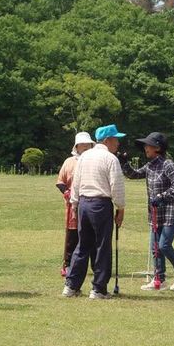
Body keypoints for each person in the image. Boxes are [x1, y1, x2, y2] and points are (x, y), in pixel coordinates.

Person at [121, 131, 174, 291]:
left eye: (149, 145)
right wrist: (124, 162)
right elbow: (133, 174)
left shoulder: (167, 164)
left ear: (158, 148)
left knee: (164, 245)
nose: (146, 147)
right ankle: (159, 280)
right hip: (155, 213)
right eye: (145, 145)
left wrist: (162, 196)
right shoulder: (150, 165)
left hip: (171, 211)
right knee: (155, 247)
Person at [62, 124, 126, 299]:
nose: (118, 143)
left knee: (83, 245)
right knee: (102, 246)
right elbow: (116, 186)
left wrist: (74, 205)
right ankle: (98, 288)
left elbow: (76, 182)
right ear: (107, 140)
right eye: (116, 139)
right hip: (101, 203)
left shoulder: (84, 156)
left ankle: (71, 285)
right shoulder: (110, 158)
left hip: (83, 203)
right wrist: (120, 207)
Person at [55, 131, 95, 277]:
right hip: (73, 205)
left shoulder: (94, 160)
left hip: (91, 202)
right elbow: (60, 182)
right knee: (72, 236)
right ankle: (67, 264)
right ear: (76, 147)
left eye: (87, 144)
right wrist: (66, 192)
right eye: (82, 144)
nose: (85, 147)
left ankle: (94, 265)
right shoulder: (69, 162)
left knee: (91, 234)